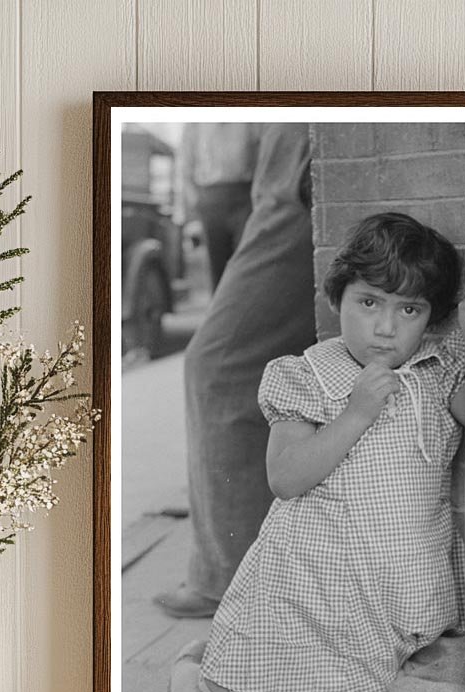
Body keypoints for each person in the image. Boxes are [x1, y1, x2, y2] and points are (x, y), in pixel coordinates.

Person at [170, 212, 465, 692]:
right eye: (369, 302)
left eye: (409, 309)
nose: (385, 327)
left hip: (396, 581)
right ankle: (205, 673)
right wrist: (355, 414)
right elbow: (284, 478)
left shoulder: (439, 372)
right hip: (309, 579)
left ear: (431, 320)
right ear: (338, 300)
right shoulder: (307, 376)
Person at [154, 123, 316, 619]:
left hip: (293, 177)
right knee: (246, 365)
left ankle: (229, 577)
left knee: (218, 366)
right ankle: (253, 569)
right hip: (266, 181)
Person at [179, 123, 258, 291]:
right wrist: (197, 205)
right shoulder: (195, 123)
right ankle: (222, 314)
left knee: (246, 258)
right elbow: (186, 169)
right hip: (211, 198)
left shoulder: (248, 119)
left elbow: (259, 154)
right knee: (218, 265)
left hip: (243, 195)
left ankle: (246, 312)